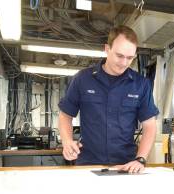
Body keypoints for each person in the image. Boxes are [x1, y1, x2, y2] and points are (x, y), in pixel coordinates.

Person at [58, 25, 159, 173]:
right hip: (88, 164)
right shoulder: (82, 79)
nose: (124, 62)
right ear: (107, 49)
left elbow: (150, 125)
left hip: (125, 165)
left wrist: (141, 158)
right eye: (119, 56)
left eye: (130, 58)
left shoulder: (141, 84)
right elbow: (65, 115)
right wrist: (67, 141)